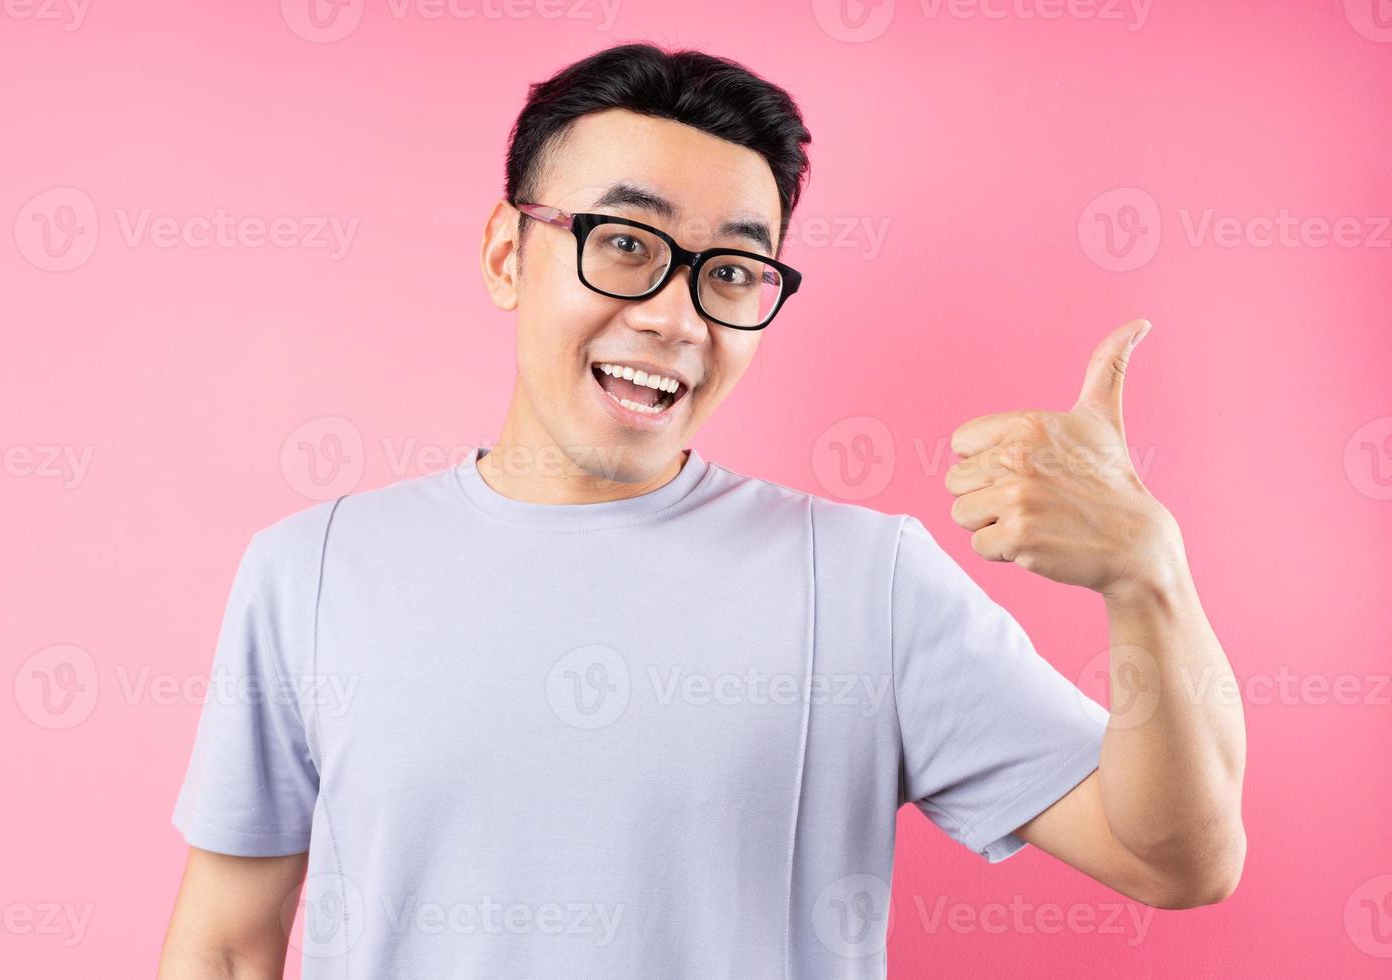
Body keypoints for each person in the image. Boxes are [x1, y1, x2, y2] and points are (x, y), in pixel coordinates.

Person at [157, 42, 1245, 979]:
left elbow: (1178, 857)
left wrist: (1149, 578)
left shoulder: (865, 579)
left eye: (731, 270)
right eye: (625, 244)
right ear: (507, 252)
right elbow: (226, 946)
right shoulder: (312, 568)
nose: (677, 316)